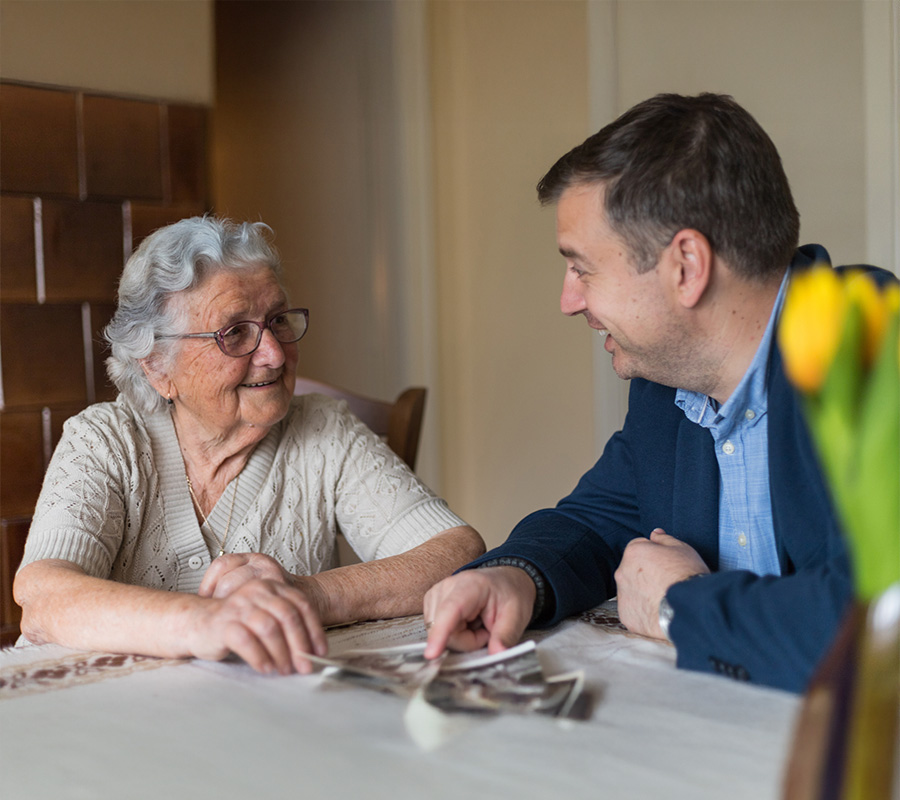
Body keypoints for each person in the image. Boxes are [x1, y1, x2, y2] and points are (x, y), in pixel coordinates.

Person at [422, 93, 897, 693]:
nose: (568, 301)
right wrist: (514, 577)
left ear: (686, 267)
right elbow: (600, 518)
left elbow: (880, 629)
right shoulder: (669, 381)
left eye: (582, 267)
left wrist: (680, 605)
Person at [14, 216, 484, 675]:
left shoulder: (323, 430)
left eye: (278, 320)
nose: (275, 353)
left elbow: (457, 550)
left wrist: (310, 595)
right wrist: (204, 621)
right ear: (157, 366)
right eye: (235, 332)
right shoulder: (105, 442)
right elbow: (44, 597)